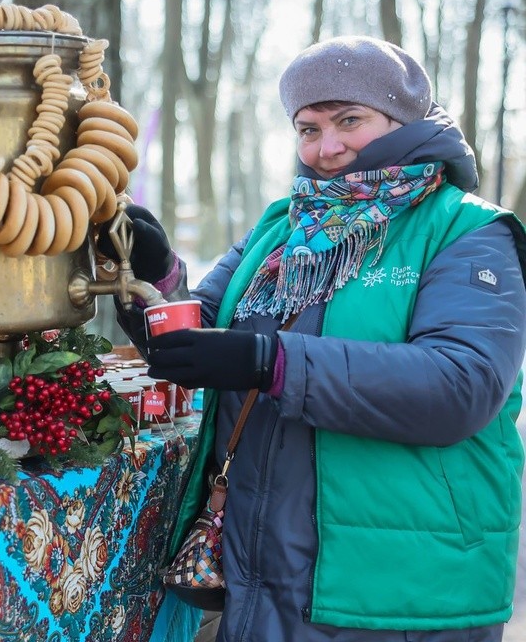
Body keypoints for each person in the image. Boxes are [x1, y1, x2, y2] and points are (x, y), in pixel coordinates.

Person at [102, 36, 526, 642]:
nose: (327, 148)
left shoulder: (467, 231)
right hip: (265, 571)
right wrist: (149, 278)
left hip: (399, 594)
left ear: (400, 119)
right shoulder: (283, 226)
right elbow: (200, 335)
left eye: (349, 120)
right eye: (308, 128)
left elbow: (460, 387)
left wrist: (271, 362)